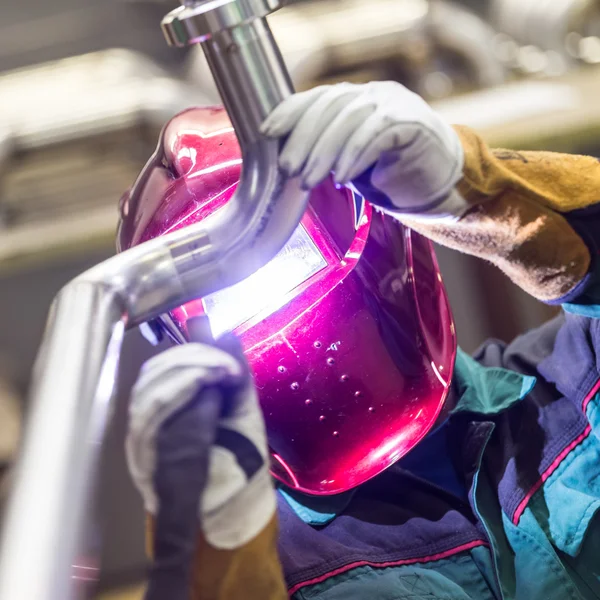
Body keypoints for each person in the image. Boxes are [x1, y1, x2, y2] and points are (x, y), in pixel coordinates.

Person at [119, 81, 600, 600]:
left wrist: (478, 194)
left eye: (284, 243)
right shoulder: (267, 565)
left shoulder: (569, 383)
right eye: (219, 286)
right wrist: (214, 550)